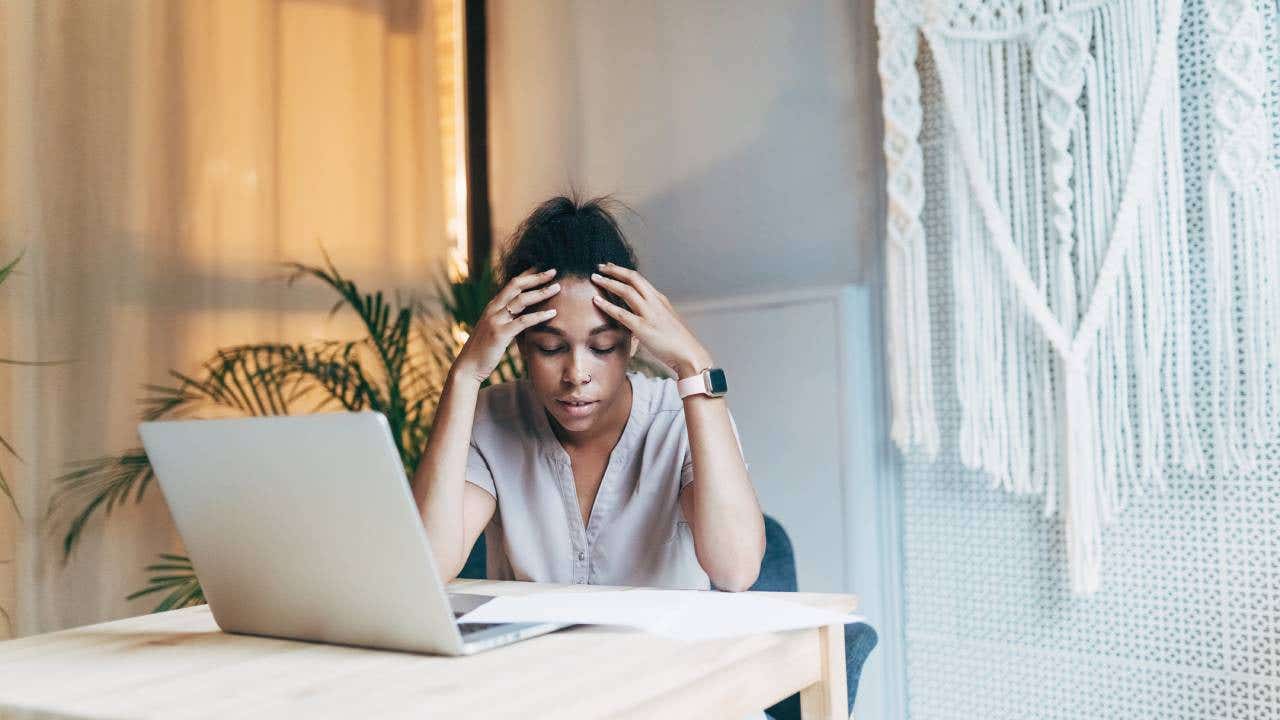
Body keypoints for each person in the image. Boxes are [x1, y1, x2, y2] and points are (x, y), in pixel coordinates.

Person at [412, 195, 765, 592]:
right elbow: (428, 566)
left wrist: (694, 365)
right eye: (550, 347)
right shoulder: (494, 418)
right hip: (538, 654)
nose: (576, 374)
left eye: (602, 348)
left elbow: (735, 570)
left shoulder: (681, 418)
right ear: (521, 343)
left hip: (660, 654)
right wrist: (465, 374)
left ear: (633, 340)